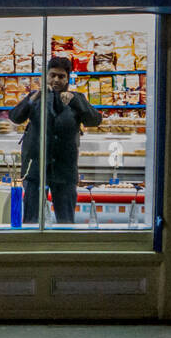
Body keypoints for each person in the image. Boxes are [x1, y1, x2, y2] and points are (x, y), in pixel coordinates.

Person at [9, 56, 102, 224]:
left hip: (64, 171)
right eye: (52, 75)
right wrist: (32, 99)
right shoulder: (35, 97)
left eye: (61, 76)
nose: (56, 80)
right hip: (35, 169)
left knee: (65, 221)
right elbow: (15, 117)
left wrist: (76, 102)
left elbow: (94, 120)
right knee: (31, 221)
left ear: (68, 78)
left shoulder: (77, 99)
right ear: (46, 76)